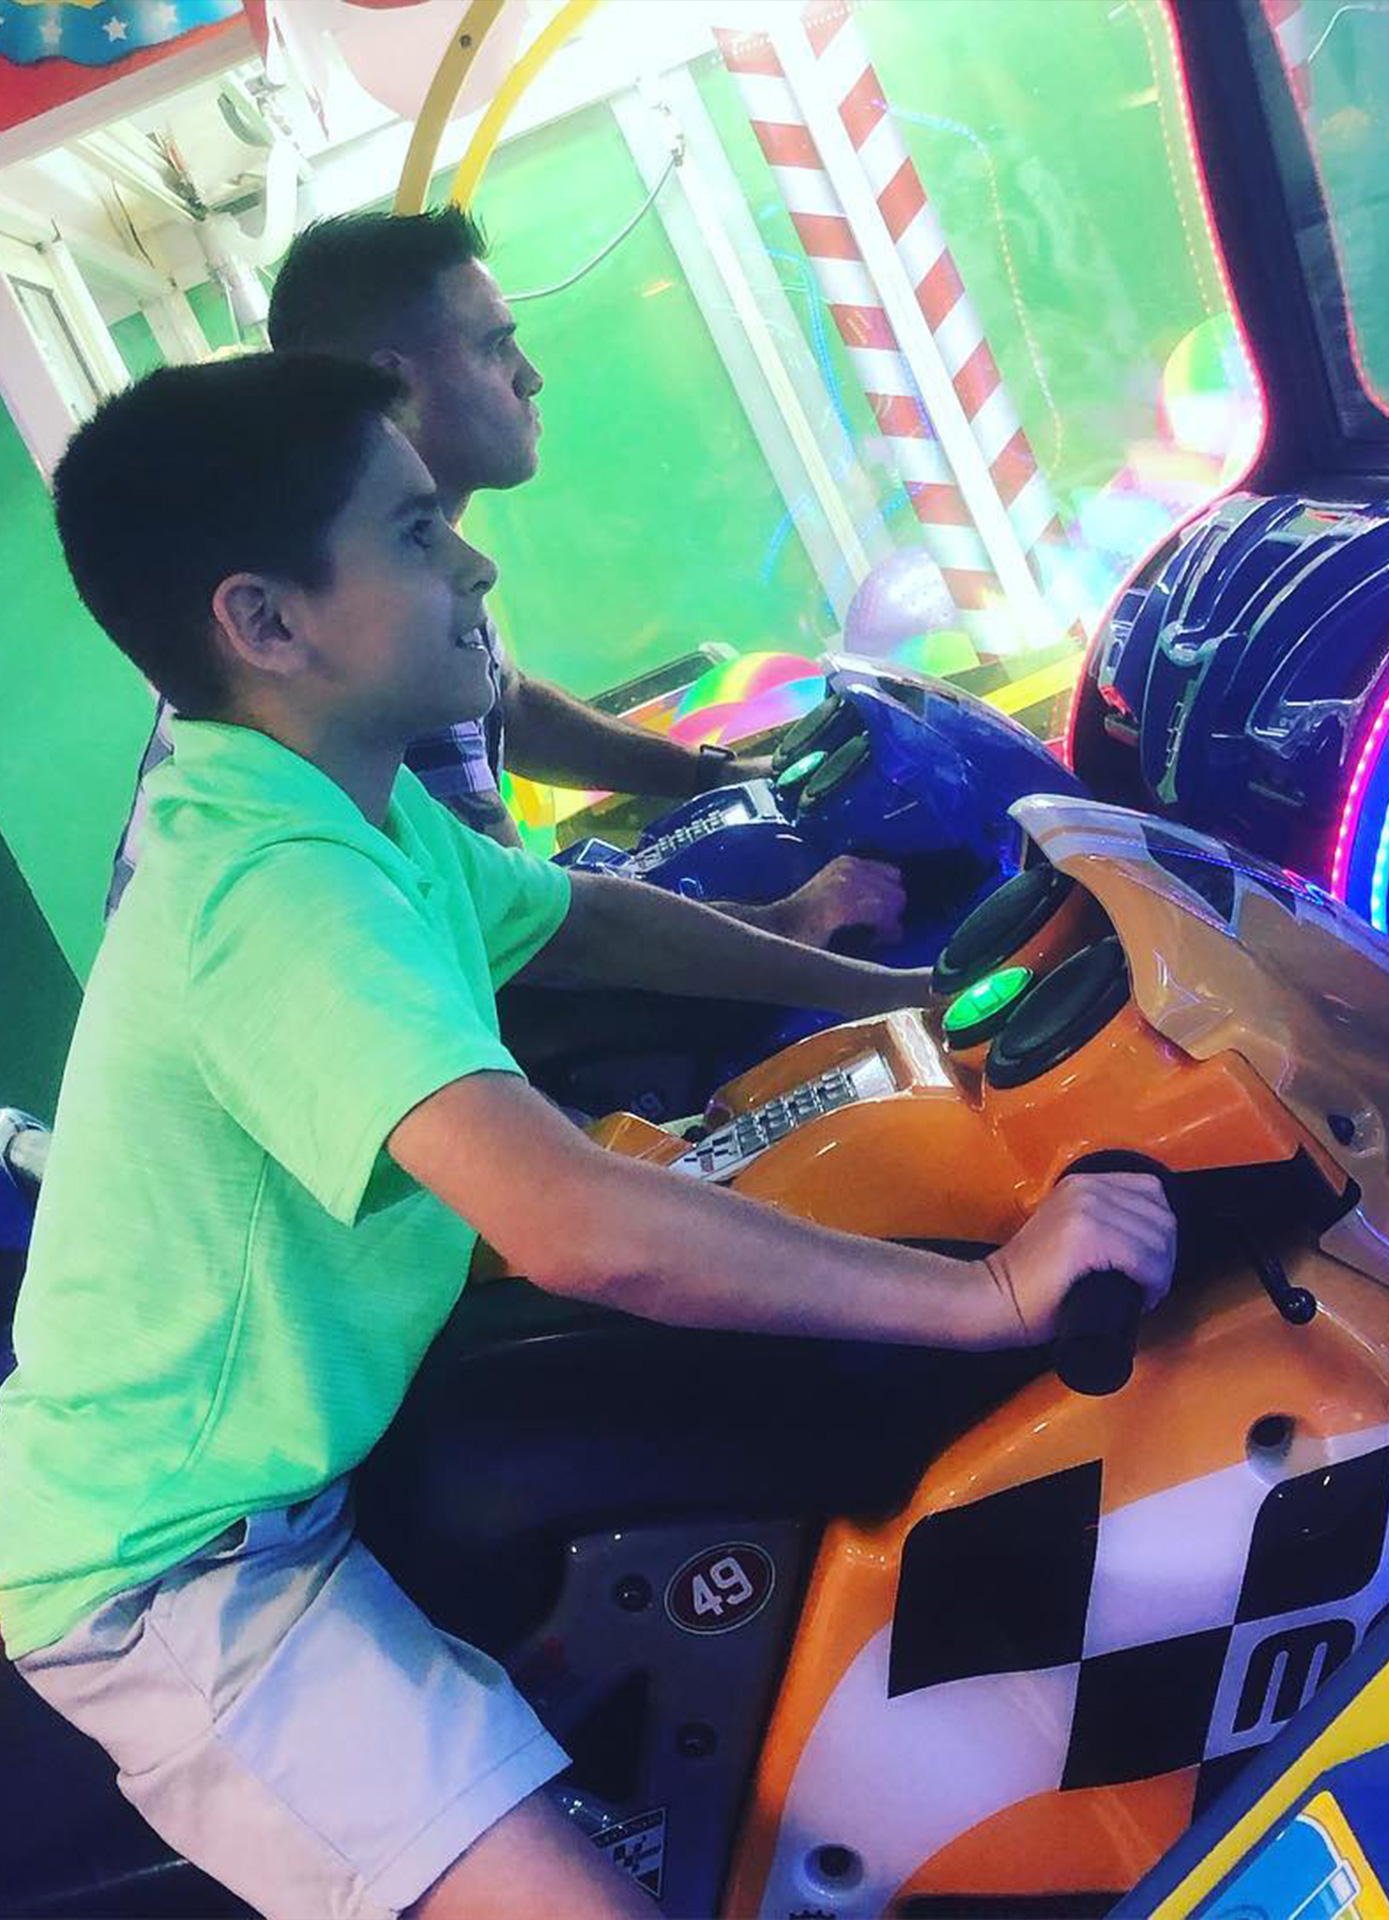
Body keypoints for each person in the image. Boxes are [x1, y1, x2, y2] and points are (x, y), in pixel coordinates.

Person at [0, 353, 1174, 1920]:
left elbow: (587, 927)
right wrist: (996, 1297)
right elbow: (582, 1225)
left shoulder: (333, 801)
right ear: (266, 623)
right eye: (416, 534)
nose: (473, 560)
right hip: (186, 1571)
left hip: (304, 1462)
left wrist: (903, 991)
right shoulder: (266, 892)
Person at [106, 206, 901, 950]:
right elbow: (523, 951)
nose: (530, 376)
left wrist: (712, 773)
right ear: (399, 388)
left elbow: (511, 706)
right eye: (495, 346)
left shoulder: (401, 558)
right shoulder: (360, 617)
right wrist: (788, 922)